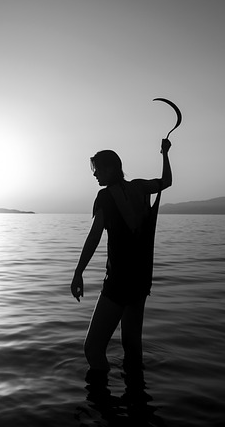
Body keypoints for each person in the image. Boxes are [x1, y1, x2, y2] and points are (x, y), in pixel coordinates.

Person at [70, 138, 172, 383]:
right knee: (132, 346)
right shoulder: (139, 188)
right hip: (140, 278)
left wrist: (78, 272)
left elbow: (94, 237)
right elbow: (166, 182)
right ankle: (136, 400)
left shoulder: (105, 197)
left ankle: (101, 402)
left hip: (118, 281)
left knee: (93, 349)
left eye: (98, 170)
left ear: (111, 168)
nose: (95, 175)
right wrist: (165, 154)